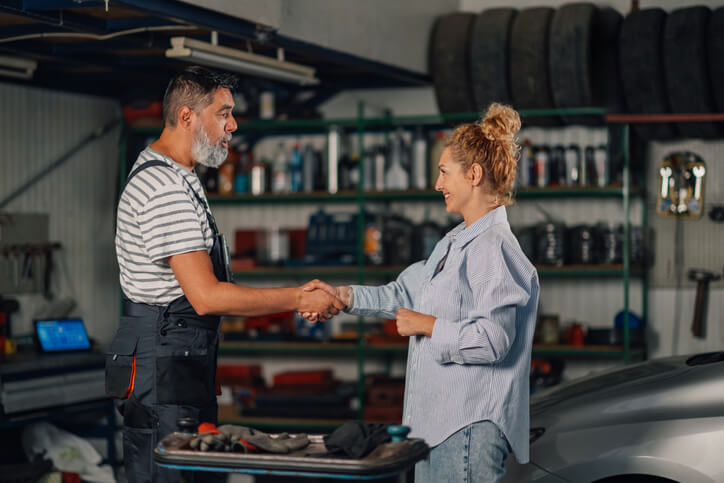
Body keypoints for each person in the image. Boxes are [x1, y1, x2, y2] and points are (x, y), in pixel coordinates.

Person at [108, 66, 343, 483]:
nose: (233, 125)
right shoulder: (165, 188)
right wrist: (298, 299)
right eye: (223, 113)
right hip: (165, 367)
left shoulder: (180, 177)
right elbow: (208, 297)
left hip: (180, 363)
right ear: (186, 117)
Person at [304, 103, 539, 482]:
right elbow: (401, 294)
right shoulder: (455, 243)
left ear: (474, 174)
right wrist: (342, 295)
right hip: (439, 429)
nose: (438, 184)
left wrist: (428, 326)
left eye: (445, 172)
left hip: (467, 429)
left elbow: (494, 340)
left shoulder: (493, 248)